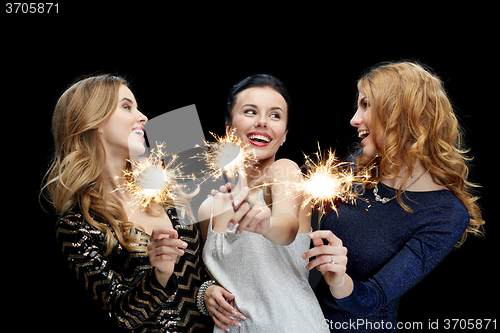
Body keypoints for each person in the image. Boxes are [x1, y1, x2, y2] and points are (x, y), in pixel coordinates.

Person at [302, 62, 485, 332]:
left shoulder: (446, 214)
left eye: (366, 105)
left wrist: (339, 279)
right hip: (301, 321)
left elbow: (370, 300)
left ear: (401, 114)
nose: (354, 119)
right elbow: (281, 193)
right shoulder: (353, 171)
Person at [43, 75, 213, 332]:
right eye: (127, 107)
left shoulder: (173, 183)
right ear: (95, 120)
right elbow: (120, 315)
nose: (143, 117)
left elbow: (215, 261)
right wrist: (160, 275)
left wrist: (207, 290)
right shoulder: (76, 224)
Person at [198, 74, 329, 332]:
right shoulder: (207, 208)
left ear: (284, 135)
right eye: (250, 111)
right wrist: (206, 292)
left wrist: (266, 222)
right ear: (228, 128)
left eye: (275, 115)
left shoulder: (285, 171)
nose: (262, 122)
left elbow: (287, 227)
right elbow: (216, 277)